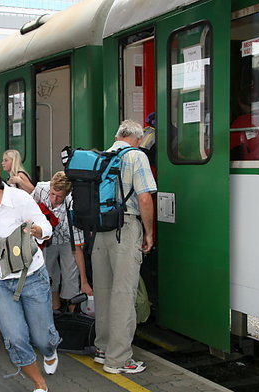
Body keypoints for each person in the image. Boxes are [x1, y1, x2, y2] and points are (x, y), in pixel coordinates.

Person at [0, 146, 59, 392]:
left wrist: (37, 231)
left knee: (41, 338)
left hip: (31, 276)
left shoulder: (19, 199)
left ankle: (50, 350)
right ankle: (40, 384)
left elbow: (44, 224)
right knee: (16, 338)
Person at [91, 119, 156, 374]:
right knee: (123, 295)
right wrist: (149, 233)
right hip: (124, 228)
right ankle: (118, 360)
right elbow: (144, 197)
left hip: (99, 231)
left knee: (104, 291)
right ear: (137, 139)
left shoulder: (101, 157)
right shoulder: (136, 157)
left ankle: (102, 349)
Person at [31, 171, 92, 311]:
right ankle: (54, 311)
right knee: (48, 273)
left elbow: (77, 248)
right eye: (52, 194)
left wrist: (84, 281)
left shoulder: (73, 205)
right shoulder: (40, 188)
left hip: (67, 241)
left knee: (71, 276)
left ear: (67, 194)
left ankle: (72, 316)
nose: (54, 199)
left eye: (59, 197)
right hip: (47, 240)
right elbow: (28, 208)